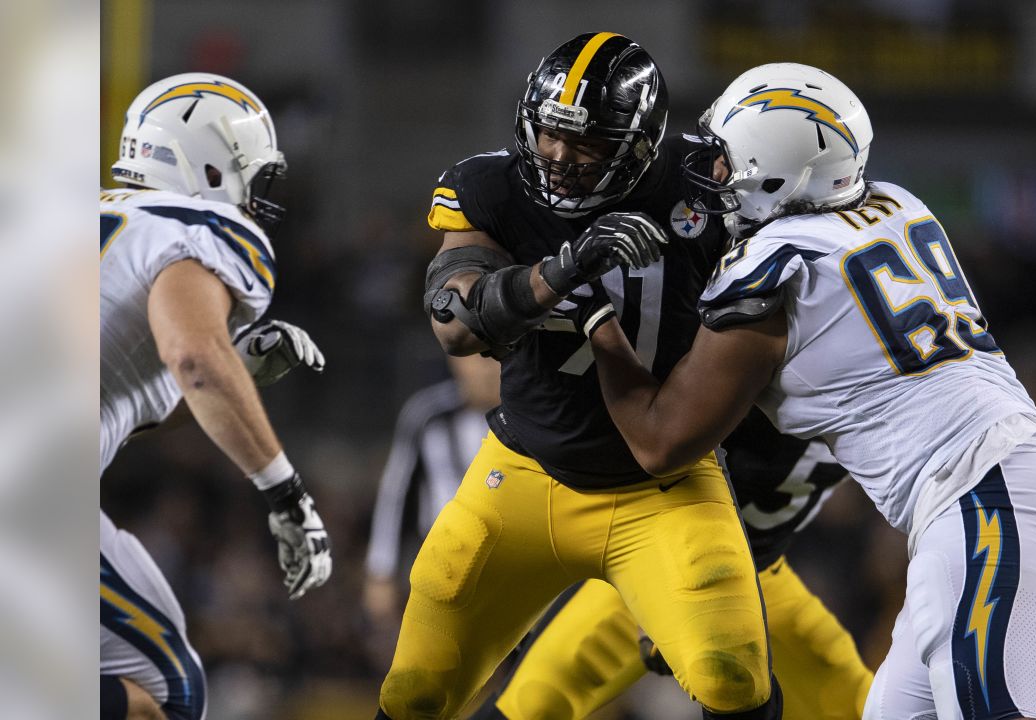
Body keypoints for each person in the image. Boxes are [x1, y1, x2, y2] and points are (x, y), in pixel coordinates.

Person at [582, 63, 1036, 720]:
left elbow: (661, 440)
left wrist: (596, 324)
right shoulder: (896, 202)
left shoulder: (773, 264)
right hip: (1024, 482)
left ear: (772, 168)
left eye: (724, 158)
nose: (711, 173)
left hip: (984, 498)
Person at [376, 32, 782, 720]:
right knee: (415, 691)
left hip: (668, 488)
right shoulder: (491, 186)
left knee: (731, 678)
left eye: (588, 143)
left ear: (642, 143)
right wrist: (562, 269)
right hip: (525, 474)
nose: (560, 158)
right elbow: (455, 319)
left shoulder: (710, 185)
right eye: (550, 136)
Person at [100, 73, 333, 720]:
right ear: (208, 161)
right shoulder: (203, 227)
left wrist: (238, 369)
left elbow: (124, 395)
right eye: (254, 176)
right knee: (167, 696)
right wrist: (287, 493)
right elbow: (195, 357)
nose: (260, 197)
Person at [471, 406, 875, 720]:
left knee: (864, 706)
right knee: (532, 702)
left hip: (760, 575)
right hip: (668, 564)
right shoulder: (775, 347)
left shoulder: (890, 381)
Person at [364, 354, 500, 627]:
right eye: (478, 357)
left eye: (496, 356)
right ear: (456, 357)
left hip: (511, 559)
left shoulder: (529, 416)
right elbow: (395, 494)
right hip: (442, 560)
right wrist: (381, 570)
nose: (487, 368)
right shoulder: (427, 413)